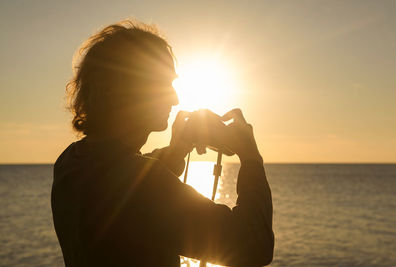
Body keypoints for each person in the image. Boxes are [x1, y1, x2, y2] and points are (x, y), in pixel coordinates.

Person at [51, 19, 274, 267]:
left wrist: (177, 149)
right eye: (163, 83)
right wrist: (251, 156)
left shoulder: (70, 162)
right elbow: (255, 244)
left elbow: (128, 183)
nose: (175, 98)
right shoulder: (142, 186)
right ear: (123, 90)